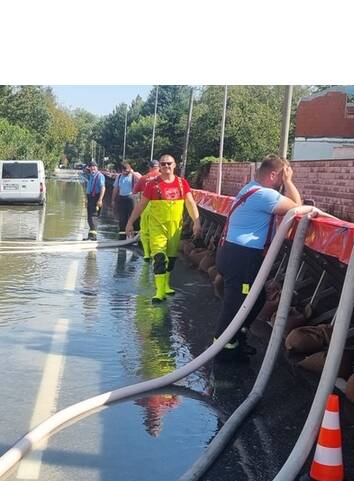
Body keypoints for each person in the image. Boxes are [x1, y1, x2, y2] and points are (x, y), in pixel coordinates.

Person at [205, 154, 308, 362]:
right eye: (281, 177)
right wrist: (289, 181)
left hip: (232, 252)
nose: (281, 183)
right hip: (242, 257)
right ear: (273, 175)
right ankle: (222, 349)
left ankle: (237, 336)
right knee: (237, 302)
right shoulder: (264, 195)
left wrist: (285, 179)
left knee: (257, 299)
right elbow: (297, 207)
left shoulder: (249, 189)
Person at [125, 154, 200, 303]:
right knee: (159, 257)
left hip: (174, 228)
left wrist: (196, 222)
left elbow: (190, 203)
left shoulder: (182, 183)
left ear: (174, 165)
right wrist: (130, 222)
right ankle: (159, 291)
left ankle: (166, 284)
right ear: (159, 166)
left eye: (169, 163)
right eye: (163, 164)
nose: (166, 166)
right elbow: (141, 205)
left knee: (171, 259)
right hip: (157, 227)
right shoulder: (152, 185)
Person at [132, 159, 161, 258]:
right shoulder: (164, 178)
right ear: (159, 167)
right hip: (160, 208)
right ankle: (157, 252)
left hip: (146, 206)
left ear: (150, 167)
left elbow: (134, 192)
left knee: (144, 230)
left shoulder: (144, 178)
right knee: (157, 230)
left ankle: (147, 254)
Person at [112, 160, 141, 239]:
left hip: (132, 199)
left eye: (126, 170)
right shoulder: (119, 176)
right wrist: (113, 200)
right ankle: (122, 237)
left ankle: (137, 238)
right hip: (122, 199)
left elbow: (142, 180)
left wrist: (132, 172)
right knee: (122, 219)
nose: (125, 172)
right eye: (123, 170)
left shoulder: (134, 175)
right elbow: (116, 189)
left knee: (135, 219)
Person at [82, 161, 106, 240]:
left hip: (96, 198)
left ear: (97, 167)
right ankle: (90, 236)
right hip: (90, 198)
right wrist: (86, 199)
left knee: (93, 217)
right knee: (89, 217)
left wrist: (100, 200)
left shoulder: (100, 176)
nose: (92, 168)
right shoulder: (90, 176)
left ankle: (93, 237)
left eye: (94, 166)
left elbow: (103, 188)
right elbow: (87, 189)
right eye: (91, 167)